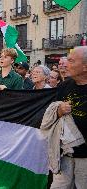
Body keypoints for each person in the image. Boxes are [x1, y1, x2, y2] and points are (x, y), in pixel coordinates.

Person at [51, 46, 87, 189]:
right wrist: (59, 110)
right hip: (65, 153)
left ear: (85, 66)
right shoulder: (65, 85)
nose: (66, 64)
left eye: (71, 61)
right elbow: (52, 114)